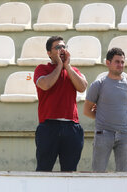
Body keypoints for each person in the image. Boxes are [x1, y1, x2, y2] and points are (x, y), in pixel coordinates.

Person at [34, 36, 88, 171]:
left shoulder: (74, 71)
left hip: (72, 126)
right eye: (58, 47)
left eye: (64, 47)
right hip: (48, 127)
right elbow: (45, 85)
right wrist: (59, 66)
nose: (62, 50)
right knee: (44, 169)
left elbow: (82, 87)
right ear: (49, 53)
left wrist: (67, 66)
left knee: (70, 171)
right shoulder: (42, 69)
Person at [84, 48, 127, 172]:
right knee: (98, 175)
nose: (120, 65)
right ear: (108, 63)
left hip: (125, 135)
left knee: (123, 176)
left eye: (122, 62)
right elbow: (87, 110)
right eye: (117, 62)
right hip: (103, 134)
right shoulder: (98, 84)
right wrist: (104, 118)